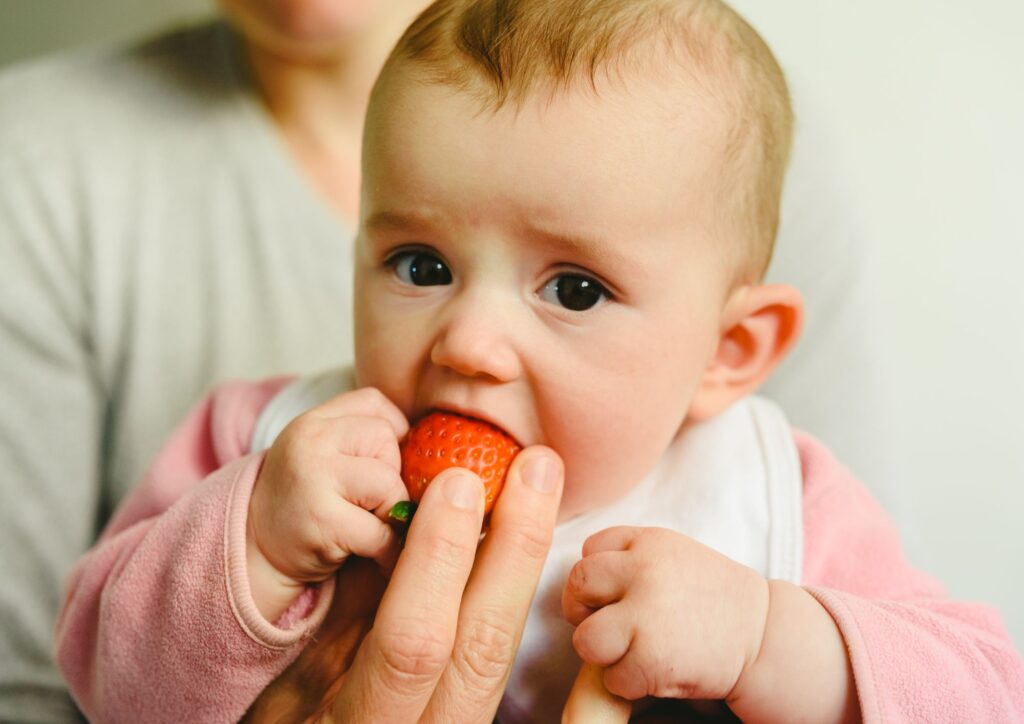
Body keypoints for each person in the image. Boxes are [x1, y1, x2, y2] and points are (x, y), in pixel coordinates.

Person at [52, 0, 1024, 721]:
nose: (469, 343)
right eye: (419, 265)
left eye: (574, 290)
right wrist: (248, 548)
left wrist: (770, 637)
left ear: (728, 351)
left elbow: (985, 690)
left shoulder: (772, 497)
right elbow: (97, 673)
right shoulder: (266, 448)